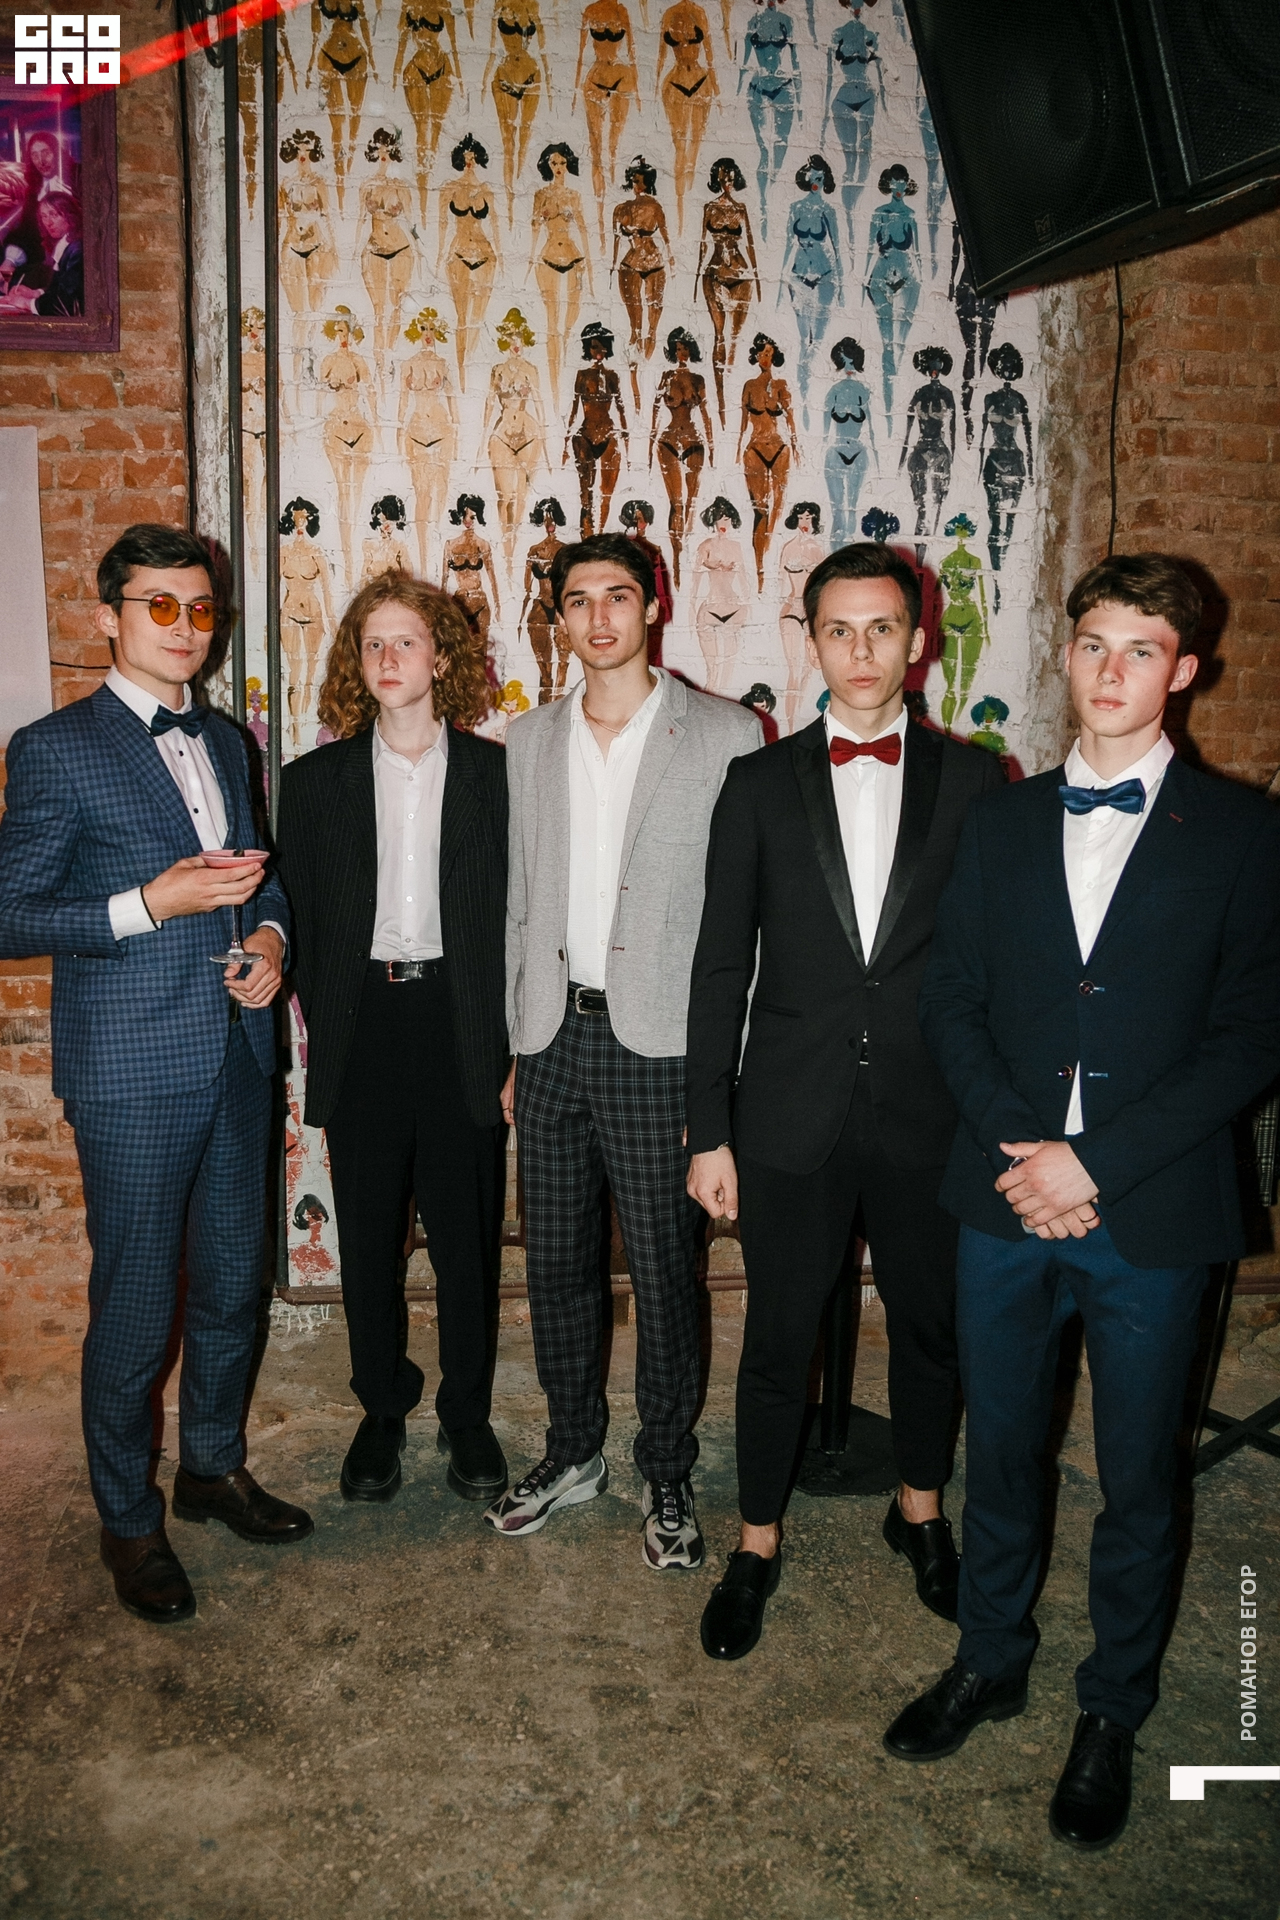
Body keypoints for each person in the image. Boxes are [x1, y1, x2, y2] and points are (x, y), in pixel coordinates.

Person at [882, 554, 1280, 1851]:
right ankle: (989, 1659)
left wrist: (1092, 1162)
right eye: (1093, 644)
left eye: (1140, 650)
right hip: (1003, 1197)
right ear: (1066, 654)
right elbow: (951, 998)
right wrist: (1024, 1145)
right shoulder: (999, 820)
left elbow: (1249, 1035)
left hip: (1149, 1214)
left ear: (1185, 671)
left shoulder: (1245, 833)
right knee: (997, 1452)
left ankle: (1111, 1707)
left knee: (1137, 1478)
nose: (1111, 672)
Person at [685, 540, 1004, 1660]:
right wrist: (707, 1130)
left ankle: (918, 1510)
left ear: (917, 641)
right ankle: (754, 1542)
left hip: (931, 1115)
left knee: (929, 1331)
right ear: (808, 642)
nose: (861, 651)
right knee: (777, 1340)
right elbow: (718, 967)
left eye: (882, 628)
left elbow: (995, 970)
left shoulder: (977, 782)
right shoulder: (757, 784)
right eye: (838, 630)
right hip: (788, 1115)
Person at [0, 524, 311, 1624]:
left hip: (236, 1058)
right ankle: (128, 1521)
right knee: (136, 1309)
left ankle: (211, 1467)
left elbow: (261, 881)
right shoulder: (55, 748)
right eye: (160, 605)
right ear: (110, 618)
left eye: (199, 608)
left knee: (230, 1285)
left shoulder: (226, 741)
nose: (185, 627)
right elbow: (11, 914)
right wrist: (149, 904)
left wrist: (269, 940)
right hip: (132, 1073)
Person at [488, 533, 761, 1567]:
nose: (597, 617)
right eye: (577, 600)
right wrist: (514, 1044)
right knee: (555, 1266)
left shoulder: (728, 735)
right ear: (557, 618)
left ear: (654, 606)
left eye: (617, 596)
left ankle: (667, 1471)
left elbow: (744, 922)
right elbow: (517, 905)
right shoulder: (525, 741)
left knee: (662, 1274)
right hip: (552, 1039)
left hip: (663, 1049)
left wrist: (722, 1080)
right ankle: (572, 1452)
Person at [276, 575, 510, 1507]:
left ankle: (467, 1413)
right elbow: (298, 918)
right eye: (372, 643)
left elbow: (524, 921)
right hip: (365, 1026)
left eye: (406, 640)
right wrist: (326, 1017)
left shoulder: (497, 776)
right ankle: (380, 1404)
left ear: (441, 657)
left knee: (466, 1241)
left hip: (462, 1023)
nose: (387, 658)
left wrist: (511, 1049)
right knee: (369, 1239)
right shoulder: (312, 783)